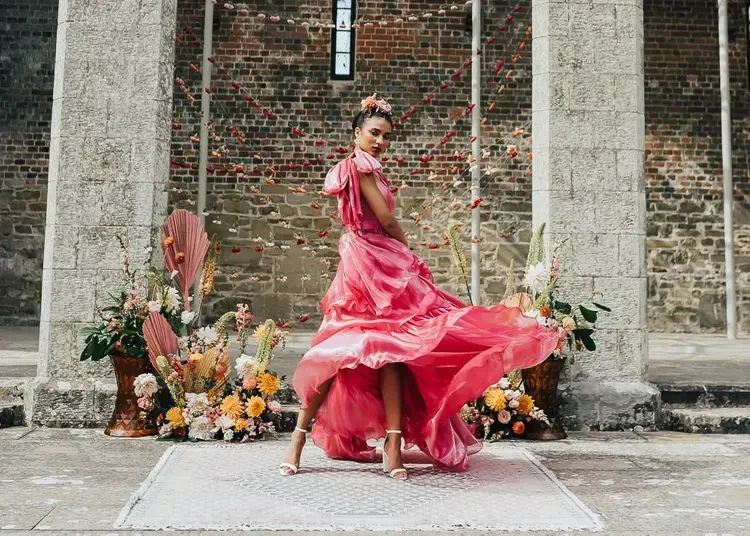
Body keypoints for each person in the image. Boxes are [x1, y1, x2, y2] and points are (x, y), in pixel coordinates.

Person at [278, 94, 559, 480]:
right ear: (357, 134)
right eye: (374, 133)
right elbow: (386, 219)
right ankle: (297, 438)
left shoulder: (372, 170)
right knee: (337, 352)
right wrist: (406, 251)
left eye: (386, 136)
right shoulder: (358, 166)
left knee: (394, 351)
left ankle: (392, 445)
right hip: (368, 262)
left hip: (379, 258)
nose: (380, 141)